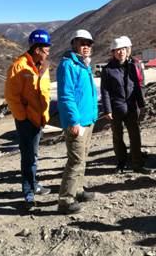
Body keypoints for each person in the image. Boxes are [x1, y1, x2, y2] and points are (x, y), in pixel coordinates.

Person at [4, 29, 52, 211]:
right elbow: (12, 96)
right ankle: (28, 193)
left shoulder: (43, 66)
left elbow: (45, 91)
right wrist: (23, 117)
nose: (48, 51)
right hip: (26, 120)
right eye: (46, 48)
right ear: (37, 49)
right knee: (28, 157)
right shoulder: (19, 67)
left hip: (39, 118)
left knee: (34, 155)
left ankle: (34, 183)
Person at [56, 29, 98, 214]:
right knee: (76, 160)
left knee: (83, 157)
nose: (86, 46)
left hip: (87, 120)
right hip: (77, 122)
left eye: (88, 43)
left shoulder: (84, 65)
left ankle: (78, 190)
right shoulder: (68, 65)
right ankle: (65, 200)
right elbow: (66, 96)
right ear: (74, 43)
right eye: (82, 43)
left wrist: (93, 115)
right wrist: (73, 121)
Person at [101, 36, 151, 174]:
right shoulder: (107, 70)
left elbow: (137, 87)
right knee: (118, 137)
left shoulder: (133, 66)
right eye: (117, 50)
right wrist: (107, 110)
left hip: (132, 107)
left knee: (135, 136)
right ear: (113, 52)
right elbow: (105, 91)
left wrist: (141, 104)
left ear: (127, 50)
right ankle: (121, 163)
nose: (120, 52)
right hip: (116, 108)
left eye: (123, 49)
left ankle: (137, 164)